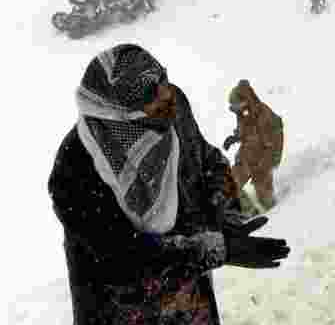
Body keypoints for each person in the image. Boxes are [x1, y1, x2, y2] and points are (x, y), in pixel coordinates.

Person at [49, 44, 289, 324]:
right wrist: (214, 250)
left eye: (162, 77)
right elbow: (121, 258)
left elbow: (205, 159)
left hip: (190, 298)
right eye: (150, 92)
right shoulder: (77, 166)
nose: (166, 93)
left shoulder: (171, 108)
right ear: (118, 111)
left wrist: (220, 209)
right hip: (123, 310)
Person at [223, 80, 284, 213]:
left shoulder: (265, 115)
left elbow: (275, 143)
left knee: (265, 198)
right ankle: (248, 211)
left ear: (245, 100)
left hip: (262, 162)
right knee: (231, 184)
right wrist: (234, 138)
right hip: (245, 159)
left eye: (235, 104)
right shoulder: (243, 113)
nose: (234, 107)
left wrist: (267, 164)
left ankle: (278, 215)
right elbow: (245, 132)